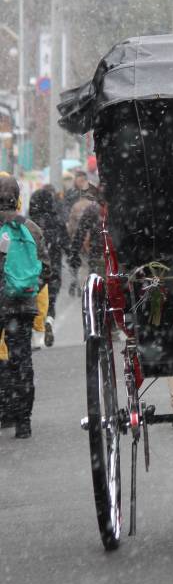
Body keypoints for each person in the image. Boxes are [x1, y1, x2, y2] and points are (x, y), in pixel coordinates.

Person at [0, 175, 50, 438]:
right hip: (23, 305)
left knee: (3, 358)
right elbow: (47, 268)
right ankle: (24, 421)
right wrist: (27, 287)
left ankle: (5, 410)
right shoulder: (30, 227)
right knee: (23, 361)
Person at [28, 186, 69, 347]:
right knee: (50, 300)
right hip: (53, 269)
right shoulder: (57, 221)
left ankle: (34, 335)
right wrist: (73, 260)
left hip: (33, 271)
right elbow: (66, 244)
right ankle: (49, 321)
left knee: (31, 301)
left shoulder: (29, 224)